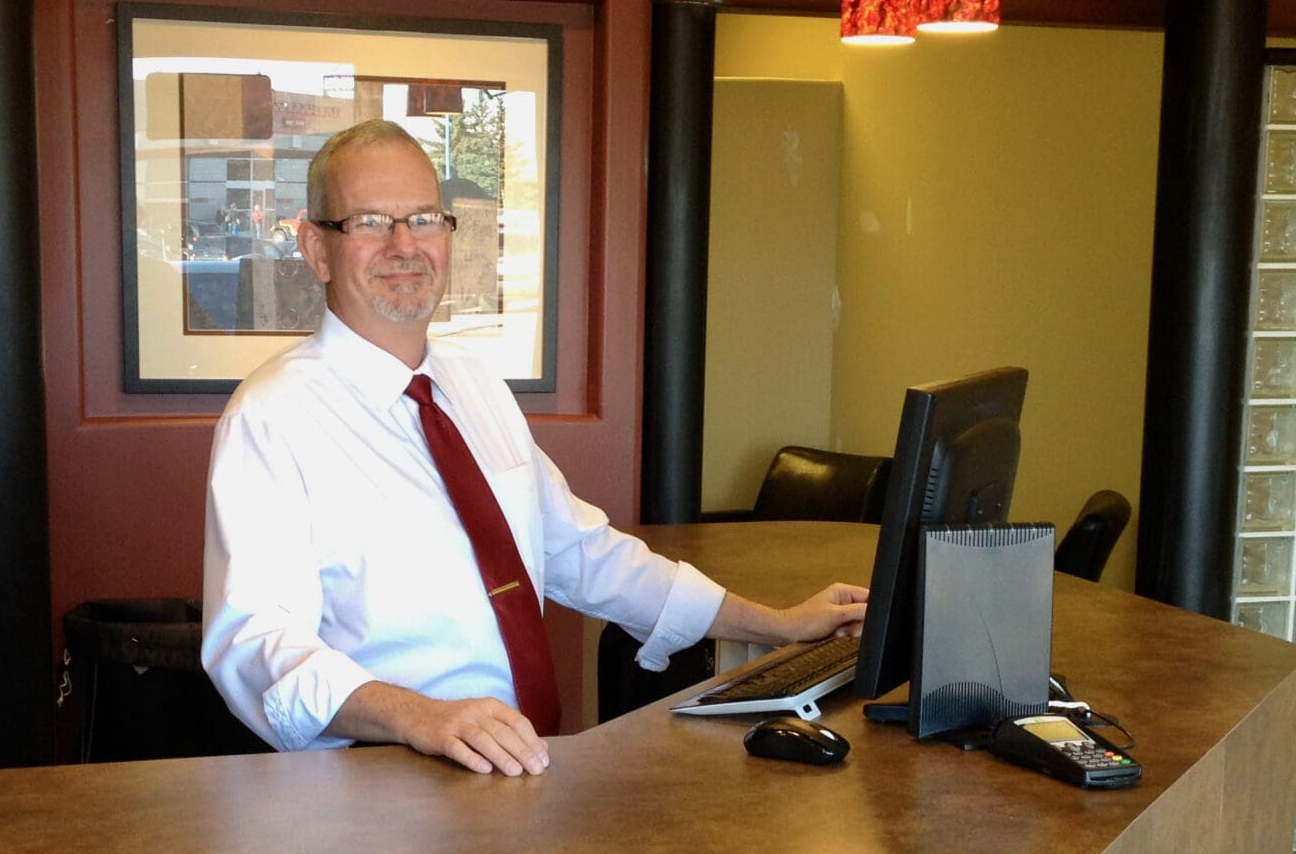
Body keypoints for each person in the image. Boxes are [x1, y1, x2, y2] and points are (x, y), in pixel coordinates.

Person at [203, 120, 866, 777]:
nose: (404, 245)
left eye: (424, 219)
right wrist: (419, 717)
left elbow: (581, 553)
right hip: (386, 786)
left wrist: (777, 625)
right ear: (316, 248)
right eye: (371, 222)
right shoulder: (271, 417)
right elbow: (253, 644)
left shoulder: (474, 385)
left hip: (522, 773)